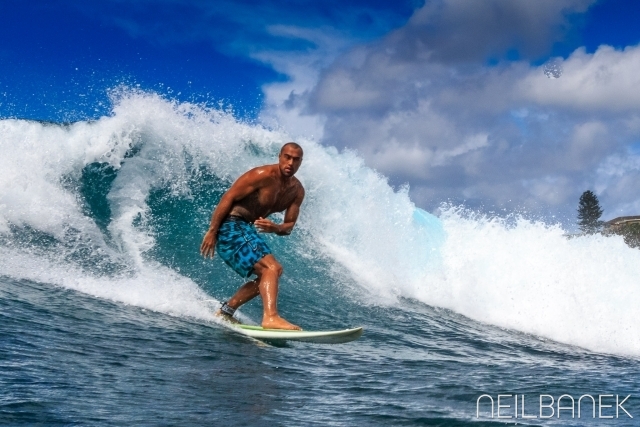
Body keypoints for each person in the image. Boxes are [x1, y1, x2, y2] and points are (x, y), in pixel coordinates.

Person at [200, 142, 305, 330]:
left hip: (244, 228)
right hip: (230, 225)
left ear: (300, 162)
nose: (290, 162)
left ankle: (226, 311)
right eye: (287, 157)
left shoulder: (296, 191)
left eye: (296, 160)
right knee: (271, 268)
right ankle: (270, 318)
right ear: (279, 157)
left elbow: (289, 226)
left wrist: (275, 227)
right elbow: (229, 197)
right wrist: (212, 231)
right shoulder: (262, 175)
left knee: (273, 273)